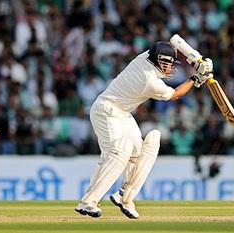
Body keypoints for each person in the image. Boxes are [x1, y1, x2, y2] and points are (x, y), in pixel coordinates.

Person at [75, 40, 213, 218]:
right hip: (106, 111)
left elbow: (174, 41)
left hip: (122, 113)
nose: (172, 68)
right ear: (161, 62)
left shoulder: (144, 57)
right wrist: (195, 78)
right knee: (118, 153)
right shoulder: (149, 81)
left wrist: (196, 59)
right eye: (169, 63)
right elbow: (176, 94)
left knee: (141, 151)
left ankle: (124, 195)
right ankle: (87, 202)